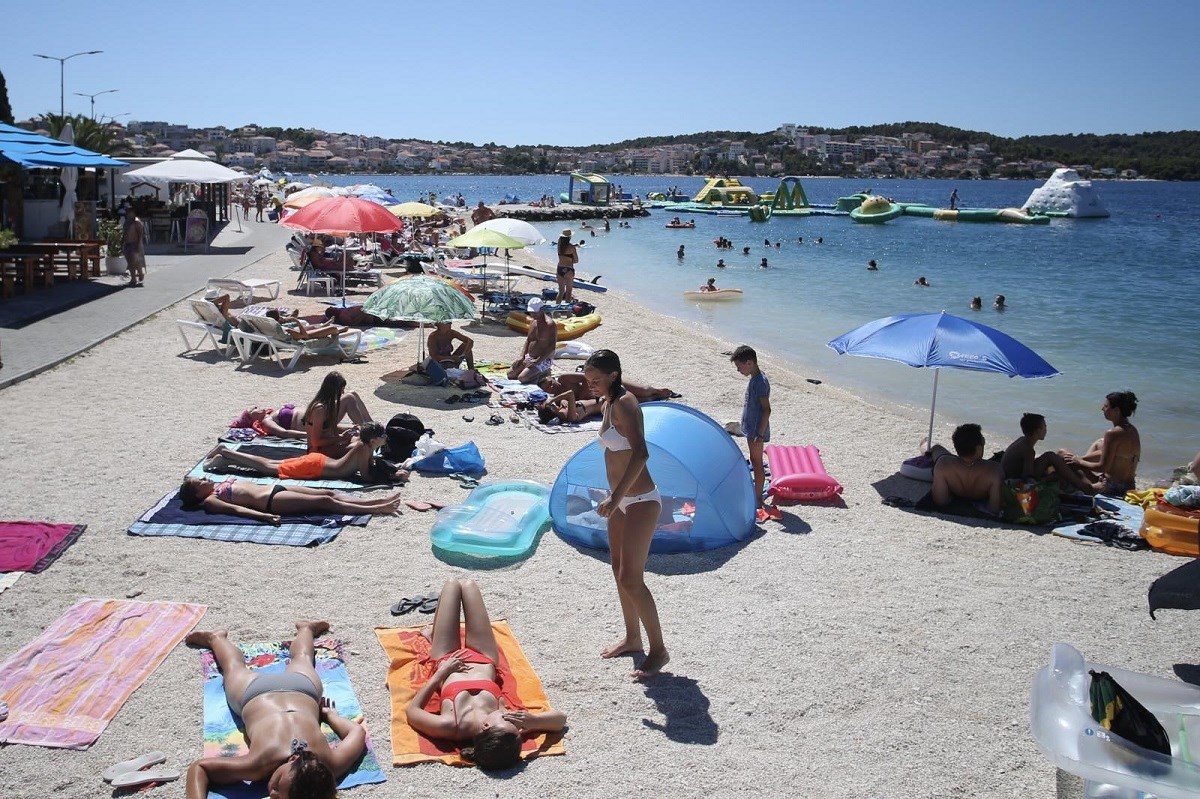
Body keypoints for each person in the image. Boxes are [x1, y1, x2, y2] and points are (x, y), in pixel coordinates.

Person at [183, 621, 366, 799]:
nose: (272, 794)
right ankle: (215, 638)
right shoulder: (258, 765)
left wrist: (330, 716)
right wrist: (329, 716)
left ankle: (306, 629)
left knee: (302, 658)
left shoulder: (331, 765)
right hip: (255, 694)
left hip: (301, 689)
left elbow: (357, 732)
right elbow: (199, 769)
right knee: (233, 666)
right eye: (278, 785)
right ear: (293, 760)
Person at [405, 579, 567, 769]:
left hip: (446, 658)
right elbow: (561, 719)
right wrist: (533, 721)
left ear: (486, 727)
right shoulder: (507, 729)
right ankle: (435, 633)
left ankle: (434, 637)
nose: (511, 719)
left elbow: (412, 712)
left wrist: (441, 673)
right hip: (484, 656)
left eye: (505, 720)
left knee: (451, 586)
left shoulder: (450, 725)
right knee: (469, 585)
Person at [583, 350, 669, 679]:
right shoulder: (608, 402)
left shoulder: (625, 403)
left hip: (641, 500)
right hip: (618, 499)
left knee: (632, 579)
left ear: (614, 375)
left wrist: (616, 495)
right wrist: (613, 496)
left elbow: (641, 453)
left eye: (596, 380)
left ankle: (659, 650)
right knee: (619, 573)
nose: (591, 385)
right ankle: (633, 639)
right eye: (588, 380)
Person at [203, 422, 408, 486]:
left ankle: (225, 459)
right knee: (268, 468)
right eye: (383, 436)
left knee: (270, 463)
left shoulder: (363, 444)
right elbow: (365, 476)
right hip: (316, 467)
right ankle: (226, 451)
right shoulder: (364, 449)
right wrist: (390, 481)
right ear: (373, 440)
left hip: (319, 462)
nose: (385, 438)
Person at [179, 474, 404, 521]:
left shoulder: (219, 484)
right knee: (326, 503)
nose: (205, 478)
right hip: (270, 502)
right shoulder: (210, 500)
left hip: (277, 488)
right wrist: (265, 517)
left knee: (328, 493)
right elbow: (237, 511)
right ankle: (376, 508)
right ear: (198, 493)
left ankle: (375, 502)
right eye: (200, 482)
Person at [1057, 391, 1141, 495]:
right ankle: (1078, 462)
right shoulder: (1132, 430)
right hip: (1129, 486)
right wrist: (1081, 459)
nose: (1102, 409)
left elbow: (1102, 467)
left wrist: (1079, 462)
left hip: (1111, 486)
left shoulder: (1113, 433)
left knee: (1062, 453)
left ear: (1117, 410)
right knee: (1100, 442)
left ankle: (1086, 487)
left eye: (1106, 406)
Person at [731, 345, 778, 523]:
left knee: (757, 464)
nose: (738, 370)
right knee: (755, 461)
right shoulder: (755, 378)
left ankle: (758, 498)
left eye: (739, 366)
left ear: (749, 363)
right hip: (751, 428)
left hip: (756, 431)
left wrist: (759, 433)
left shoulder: (760, 382)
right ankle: (757, 493)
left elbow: (767, 410)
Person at [1001, 413, 1094, 493]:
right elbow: (1027, 479)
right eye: (1044, 427)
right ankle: (1084, 487)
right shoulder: (1028, 450)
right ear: (1038, 431)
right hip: (1013, 479)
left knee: (1054, 460)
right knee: (1050, 457)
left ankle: (1080, 483)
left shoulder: (1023, 440)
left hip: (1011, 473)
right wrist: (1047, 479)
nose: (1046, 429)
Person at [927, 424, 1005, 516]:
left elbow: (940, 501)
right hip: (981, 491)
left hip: (952, 472)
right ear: (978, 447)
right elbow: (994, 509)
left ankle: (925, 442)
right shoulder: (995, 470)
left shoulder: (943, 464)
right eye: (982, 440)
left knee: (936, 448)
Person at [303, 371, 374, 457]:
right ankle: (367, 433)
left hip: (330, 444)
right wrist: (342, 437)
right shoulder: (319, 409)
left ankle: (367, 430)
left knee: (350, 397)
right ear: (334, 390)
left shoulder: (328, 405)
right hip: (317, 451)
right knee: (362, 446)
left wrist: (350, 430)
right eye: (342, 390)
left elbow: (327, 429)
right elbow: (316, 442)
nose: (342, 393)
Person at [537, 372, 678, 403]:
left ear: (552, 379)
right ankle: (658, 398)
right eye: (547, 388)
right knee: (638, 399)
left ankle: (664, 391)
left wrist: (582, 394)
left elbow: (587, 377)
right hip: (601, 396)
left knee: (645, 390)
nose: (551, 387)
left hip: (604, 384)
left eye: (550, 382)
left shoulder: (564, 378)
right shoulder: (557, 398)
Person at [508, 298, 557, 384]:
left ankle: (544, 372)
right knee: (510, 374)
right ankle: (530, 371)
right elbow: (528, 340)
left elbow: (552, 346)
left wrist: (538, 361)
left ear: (541, 310)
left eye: (535, 312)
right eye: (531, 312)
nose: (532, 314)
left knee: (522, 378)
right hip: (529, 357)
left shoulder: (549, 325)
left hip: (542, 359)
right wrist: (522, 356)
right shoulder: (533, 322)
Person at [123, 209, 146, 287]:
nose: (128, 214)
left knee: (134, 261)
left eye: (130, 212)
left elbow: (140, 234)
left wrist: (139, 245)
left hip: (134, 243)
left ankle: (134, 277)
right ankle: (137, 275)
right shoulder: (127, 222)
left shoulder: (137, 222)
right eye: (127, 212)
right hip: (127, 244)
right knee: (130, 262)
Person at [556, 229, 579, 304]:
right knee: (568, 292)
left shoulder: (559, 245)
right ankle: (567, 312)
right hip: (569, 269)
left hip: (560, 268)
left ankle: (556, 310)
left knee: (561, 291)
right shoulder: (572, 247)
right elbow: (576, 260)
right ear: (569, 237)